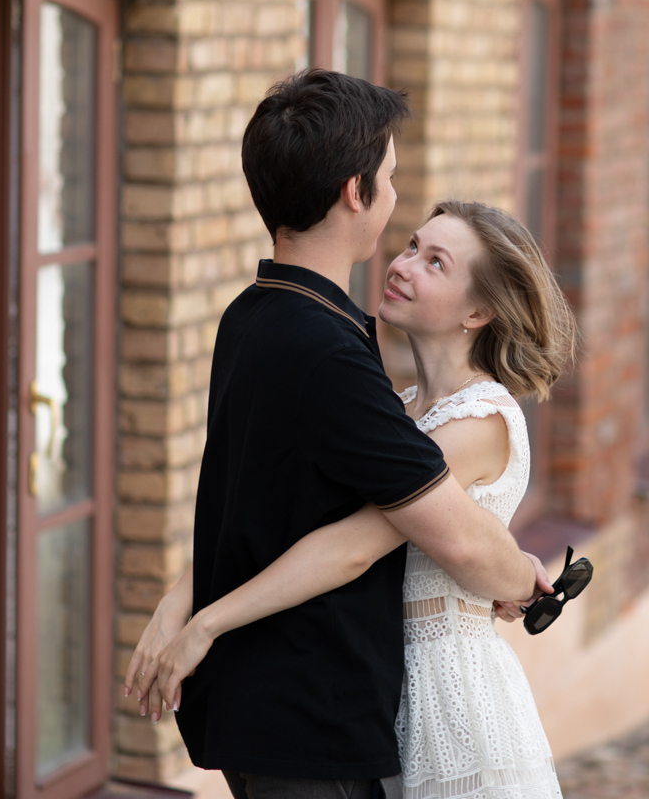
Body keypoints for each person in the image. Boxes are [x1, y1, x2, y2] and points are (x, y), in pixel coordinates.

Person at [128, 69, 553, 799]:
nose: (398, 233)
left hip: (337, 712)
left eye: (435, 259)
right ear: (355, 193)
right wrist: (529, 585)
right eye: (388, 182)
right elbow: (433, 541)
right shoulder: (329, 353)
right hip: (310, 722)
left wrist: (189, 606)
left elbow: (257, 502)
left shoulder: (253, 316)